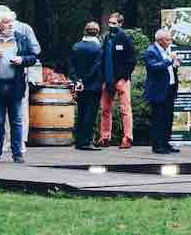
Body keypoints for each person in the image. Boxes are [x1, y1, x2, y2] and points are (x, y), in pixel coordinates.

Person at [0, 10, 40, 163]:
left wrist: (22, 59)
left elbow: (33, 58)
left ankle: (17, 153)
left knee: (16, 121)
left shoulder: (21, 39)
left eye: (11, 22)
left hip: (15, 86)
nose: (10, 25)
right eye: (7, 22)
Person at [99, 12, 137, 149]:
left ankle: (128, 137)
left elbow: (132, 60)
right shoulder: (107, 38)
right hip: (107, 79)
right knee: (105, 109)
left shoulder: (125, 38)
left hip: (121, 80)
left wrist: (123, 78)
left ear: (121, 24)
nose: (111, 25)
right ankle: (105, 137)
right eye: (109, 23)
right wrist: (103, 78)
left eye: (114, 23)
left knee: (125, 109)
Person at [144, 28, 182, 154]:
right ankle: (157, 145)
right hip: (158, 90)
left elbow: (168, 68)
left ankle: (166, 143)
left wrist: (175, 65)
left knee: (168, 118)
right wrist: (169, 60)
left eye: (170, 39)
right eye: (167, 40)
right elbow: (153, 67)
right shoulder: (151, 51)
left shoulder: (166, 50)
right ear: (159, 40)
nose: (170, 41)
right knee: (158, 118)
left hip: (169, 88)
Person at [70, 21, 105, 151]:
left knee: (81, 112)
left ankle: (79, 141)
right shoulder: (98, 48)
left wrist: (77, 80)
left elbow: (71, 66)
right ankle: (86, 141)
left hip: (80, 84)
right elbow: (96, 68)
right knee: (90, 114)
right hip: (93, 84)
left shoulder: (76, 46)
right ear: (97, 32)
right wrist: (85, 80)